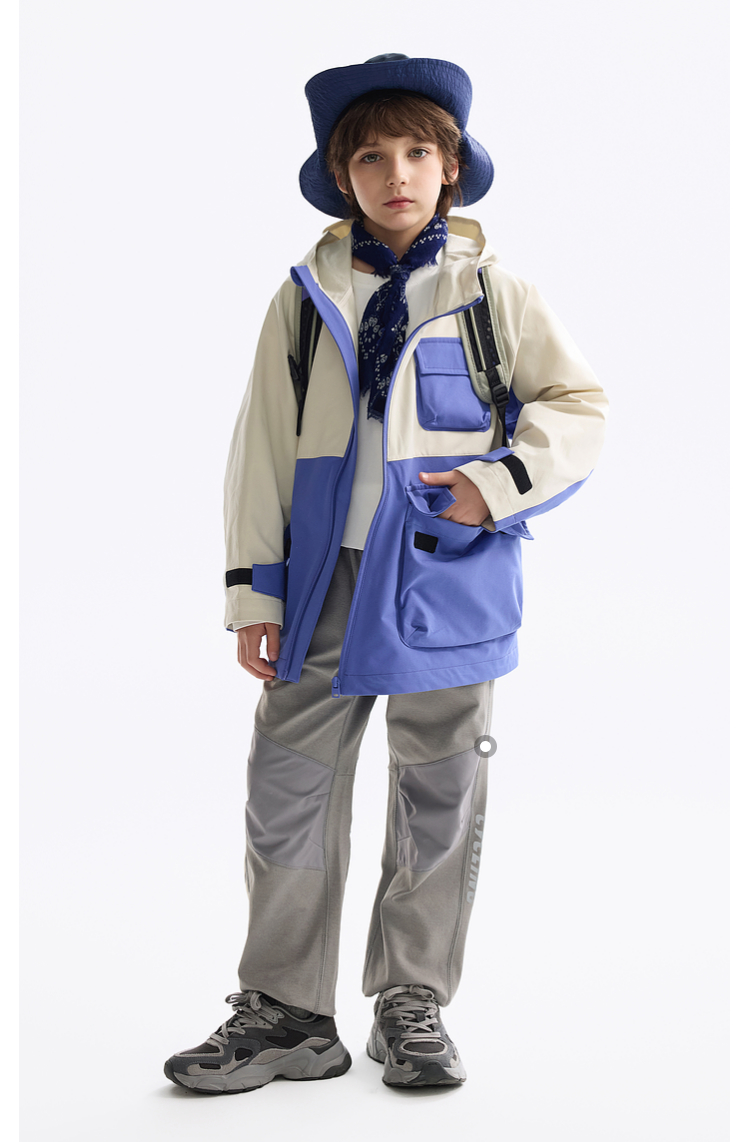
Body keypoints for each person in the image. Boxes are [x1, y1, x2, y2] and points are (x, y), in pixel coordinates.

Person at [164, 52, 608, 1093]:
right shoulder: (305, 297)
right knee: (288, 781)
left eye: (417, 152)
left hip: (448, 583)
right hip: (323, 581)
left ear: (450, 167)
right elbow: (260, 450)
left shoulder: (494, 292)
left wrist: (498, 484)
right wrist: (254, 591)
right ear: (342, 175)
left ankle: (412, 1000)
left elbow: (579, 407)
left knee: (437, 789)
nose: (396, 173)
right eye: (371, 157)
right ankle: (286, 1011)